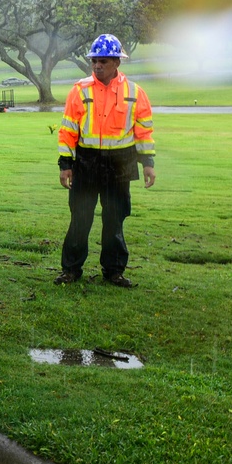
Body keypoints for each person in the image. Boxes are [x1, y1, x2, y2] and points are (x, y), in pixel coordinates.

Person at [55, 34, 155, 288]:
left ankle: (114, 272)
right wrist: (66, 166)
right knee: (80, 218)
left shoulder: (135, 92)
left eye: (103, 61)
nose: (97, 66)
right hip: (86, 163)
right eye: (94, 61)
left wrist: (148, 163)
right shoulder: (80, 91)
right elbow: (68, 130)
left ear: (116, 63)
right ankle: (71, 270)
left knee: (115, 219)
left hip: (120, 165)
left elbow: (143, 130)